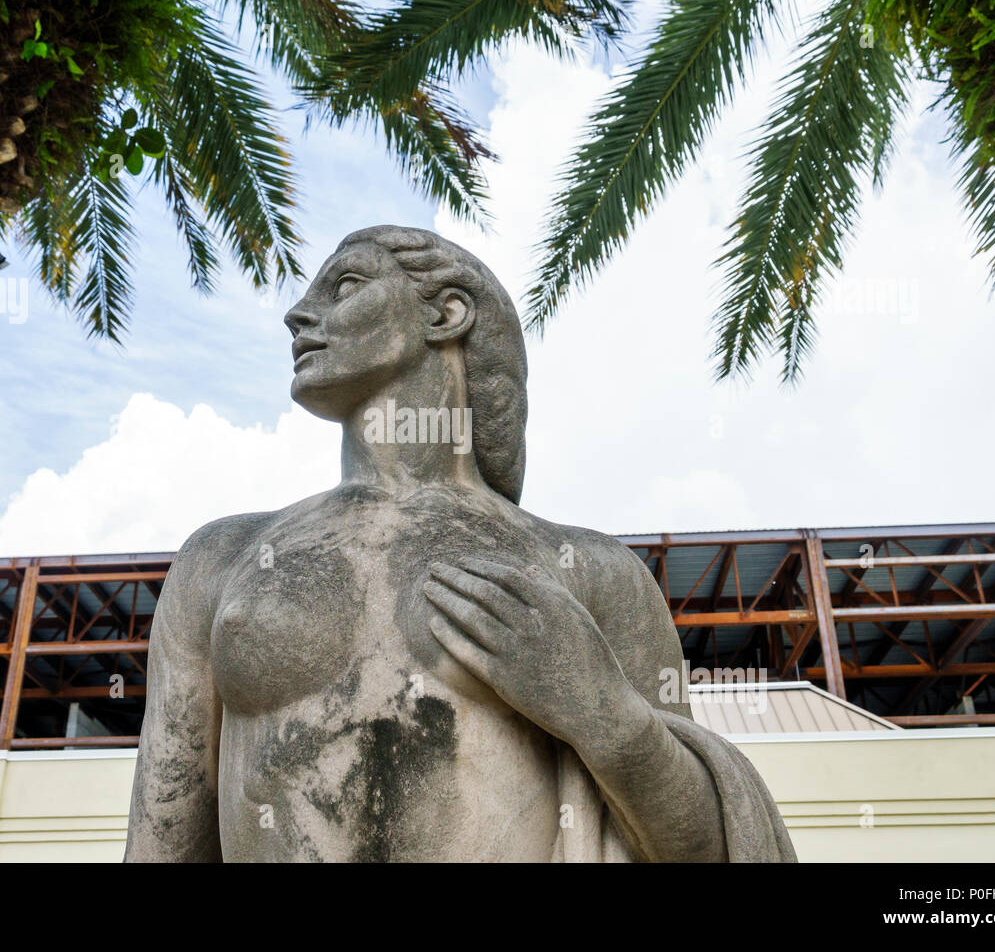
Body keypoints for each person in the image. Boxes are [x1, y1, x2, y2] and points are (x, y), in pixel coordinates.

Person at [125, 226, 795, 862]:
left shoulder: (587, 571)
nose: (297, 315)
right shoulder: (220, 560)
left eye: (346, 283)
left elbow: (706, 849)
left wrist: (606, 717)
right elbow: (164, 841)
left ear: (447, 313)